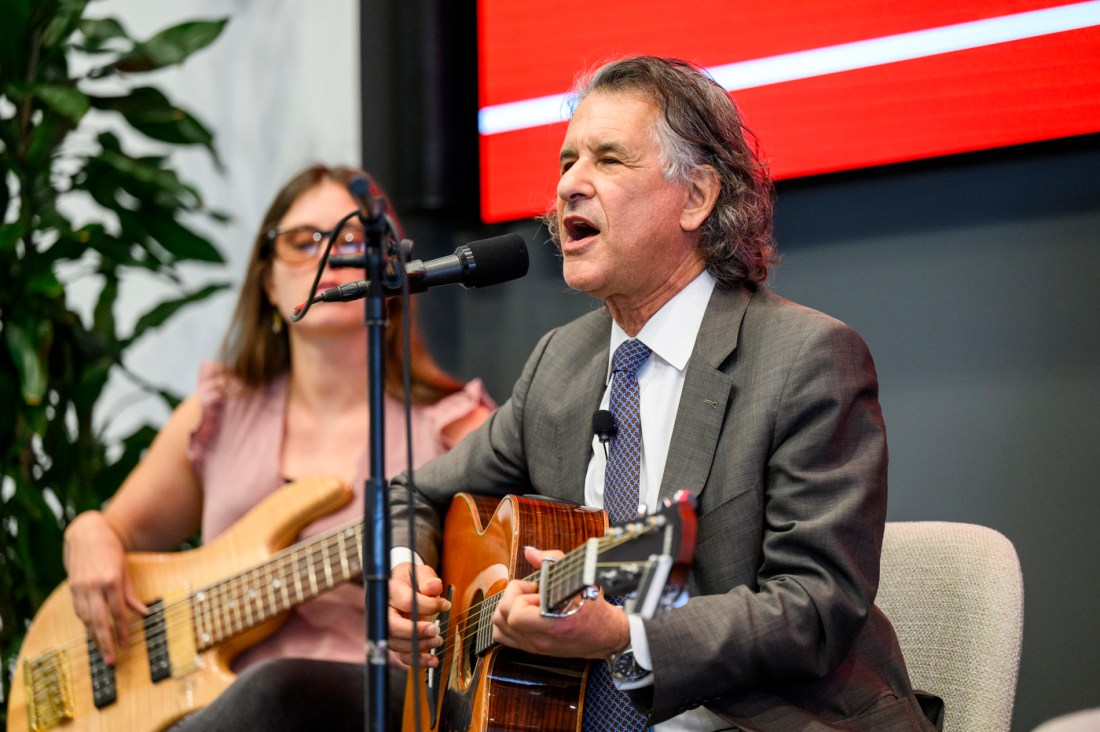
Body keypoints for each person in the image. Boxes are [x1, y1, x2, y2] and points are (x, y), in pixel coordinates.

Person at [388, 57, 939, 730]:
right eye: (566, 161)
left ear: (696, 196)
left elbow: (814, 605)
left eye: (609, 160)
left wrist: (627, 636)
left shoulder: (806, 358)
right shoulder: (560, 362)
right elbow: (412, 493)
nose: (569, 187)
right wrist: (404, 573)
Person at [62, 164, 493, 729]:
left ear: (393, 277)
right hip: (207, 708)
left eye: (360, 242)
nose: (335, 253)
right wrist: (88, 531)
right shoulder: (218, 415)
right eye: (305, 240)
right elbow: (118, 529)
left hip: (372, 705)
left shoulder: (454, 428)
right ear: (267, 281)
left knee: (275, 686)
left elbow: (504, 560)